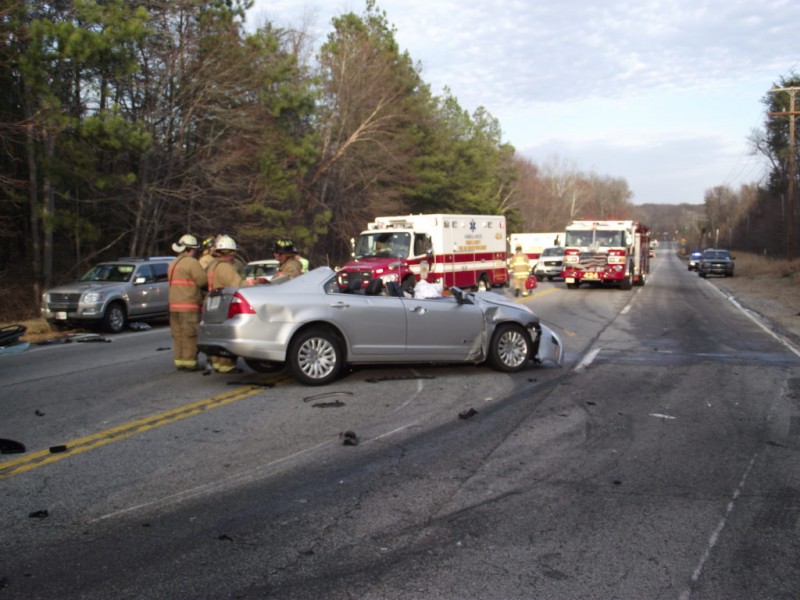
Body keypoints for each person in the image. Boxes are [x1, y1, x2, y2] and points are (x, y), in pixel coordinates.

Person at [205, 235, 246, 373]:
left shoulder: (212, 265)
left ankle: (217, 364)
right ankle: (227, 366)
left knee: (216, 336)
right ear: (230, 253)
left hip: (212, 304)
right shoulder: (226, 268)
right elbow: (238, 285)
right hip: (225, 305)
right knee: (227, 336)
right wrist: (255, 283)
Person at [168, 234, 207, 371]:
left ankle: (180, 361)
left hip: (173, 307)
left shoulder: (173, 263)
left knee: (178, 335)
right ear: (191, 249)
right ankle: (190, 362)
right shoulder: (192, 263)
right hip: (188, 306)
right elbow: (202, 281)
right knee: (190, 335)